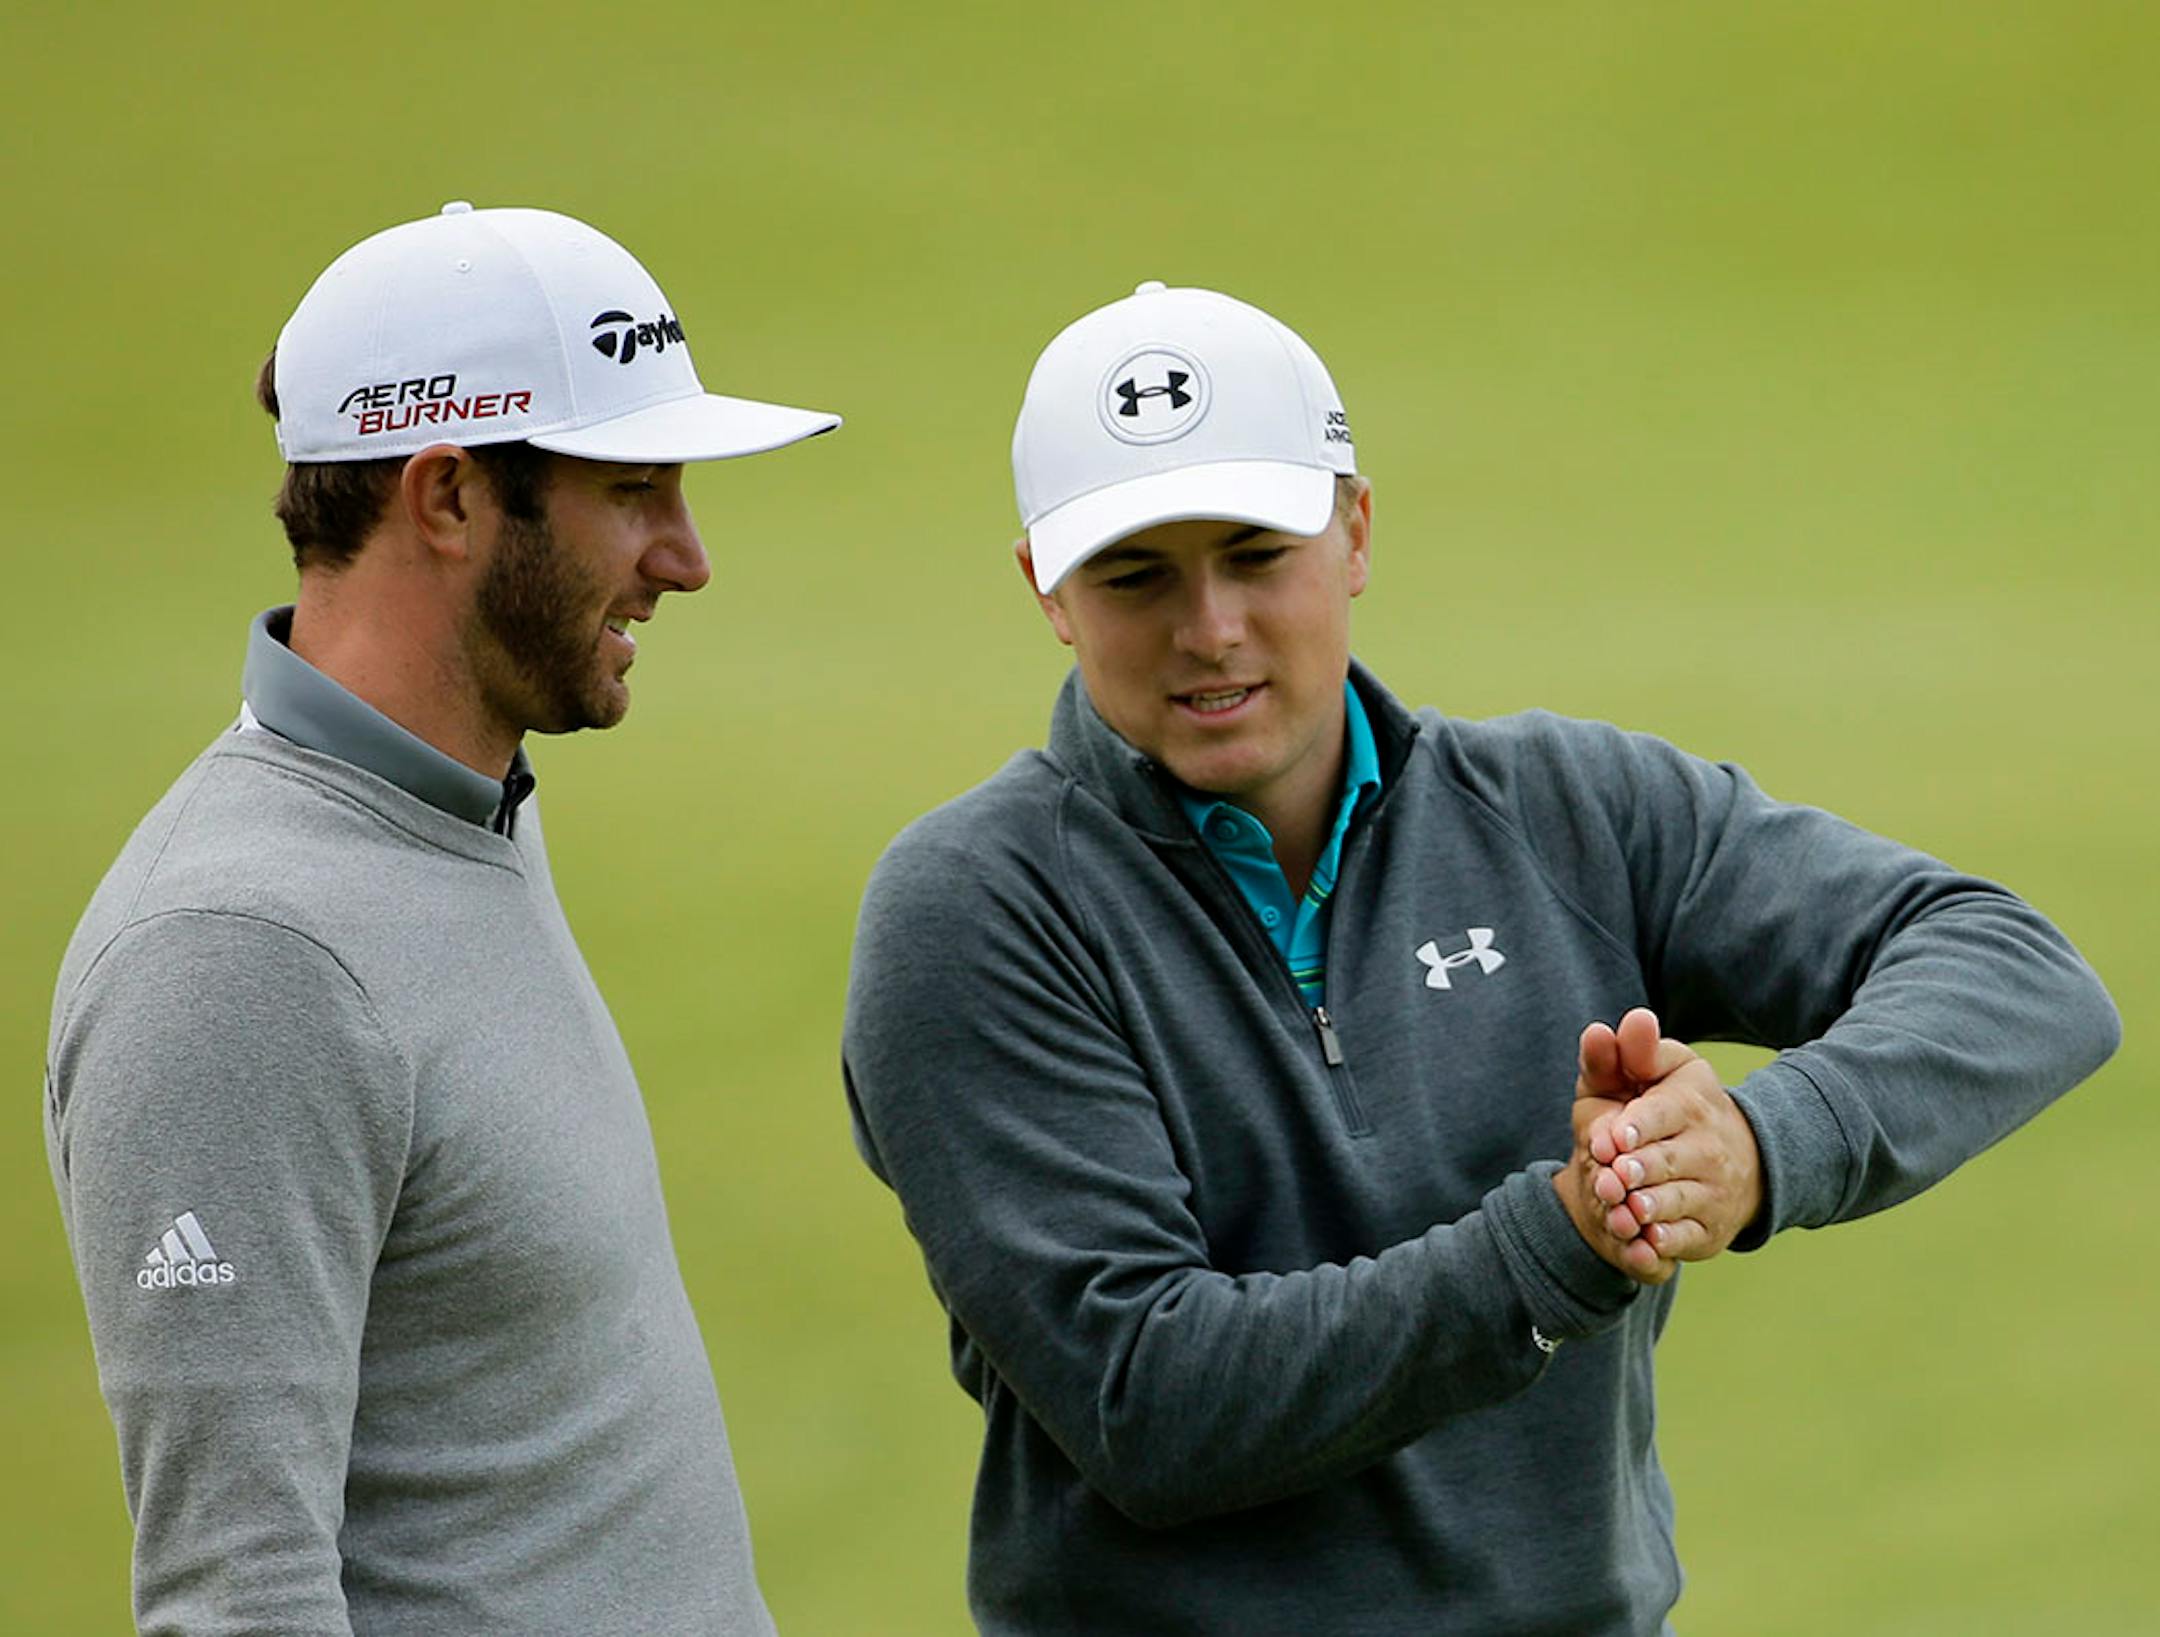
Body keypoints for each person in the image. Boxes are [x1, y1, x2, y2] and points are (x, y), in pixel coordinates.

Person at [840, 280, 2120, 1634]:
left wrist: (1754, 1146)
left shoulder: (1571, 810)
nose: (1208, 627)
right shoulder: (976, 907)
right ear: (1047, 589)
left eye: (1257, 554)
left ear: (1355, 533)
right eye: (1135, 575)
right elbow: (1150, 1401)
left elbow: (2019, 971)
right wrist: (1563, 1242)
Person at [44, 202, 838, 1635]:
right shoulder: (237, 955)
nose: (685, 556)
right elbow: (238, 1597)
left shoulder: (469, 804)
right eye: (635, 489)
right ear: (450, 497)